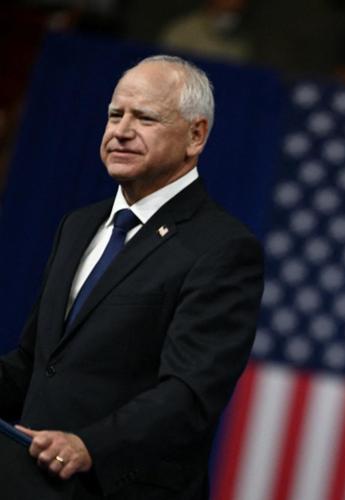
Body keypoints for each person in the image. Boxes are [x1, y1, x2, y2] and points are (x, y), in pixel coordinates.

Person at [0, 55, 263, 499]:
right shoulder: (79, 225)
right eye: (114, 114)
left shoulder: (222, 248)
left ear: (195, 135)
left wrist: (91, 445)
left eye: (145, 118)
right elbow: (35, 363)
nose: (121, 131)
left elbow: (189, 393)